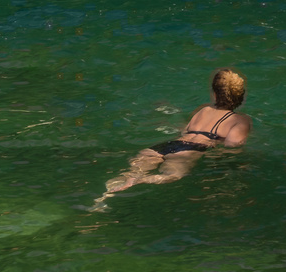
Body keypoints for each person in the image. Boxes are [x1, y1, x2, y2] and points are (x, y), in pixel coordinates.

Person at [96, 68, 252, 206]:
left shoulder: (203, 109)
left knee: (129, 173)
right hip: (189, 151)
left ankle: (102, 198)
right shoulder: (241, 121)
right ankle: (140, 180)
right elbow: (232, 149)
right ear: (241, 95)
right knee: (173, 176)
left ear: (214, 93)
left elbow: (184, 132)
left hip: (168, 145)